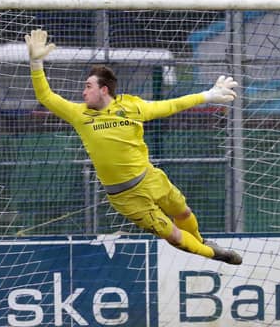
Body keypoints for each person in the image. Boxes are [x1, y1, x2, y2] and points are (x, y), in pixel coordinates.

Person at [25, 29, 242, 265]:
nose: (83, 91)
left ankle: (202, 241)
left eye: (88, 86)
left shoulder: (131, 106)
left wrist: (208, 95)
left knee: (184, 212)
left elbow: (170, 105)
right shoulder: (79, 114)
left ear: (104, 89)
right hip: (125, 196)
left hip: (150, 177)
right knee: (173, 235)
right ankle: (215, 255)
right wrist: (36, 63)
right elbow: (46, 97)